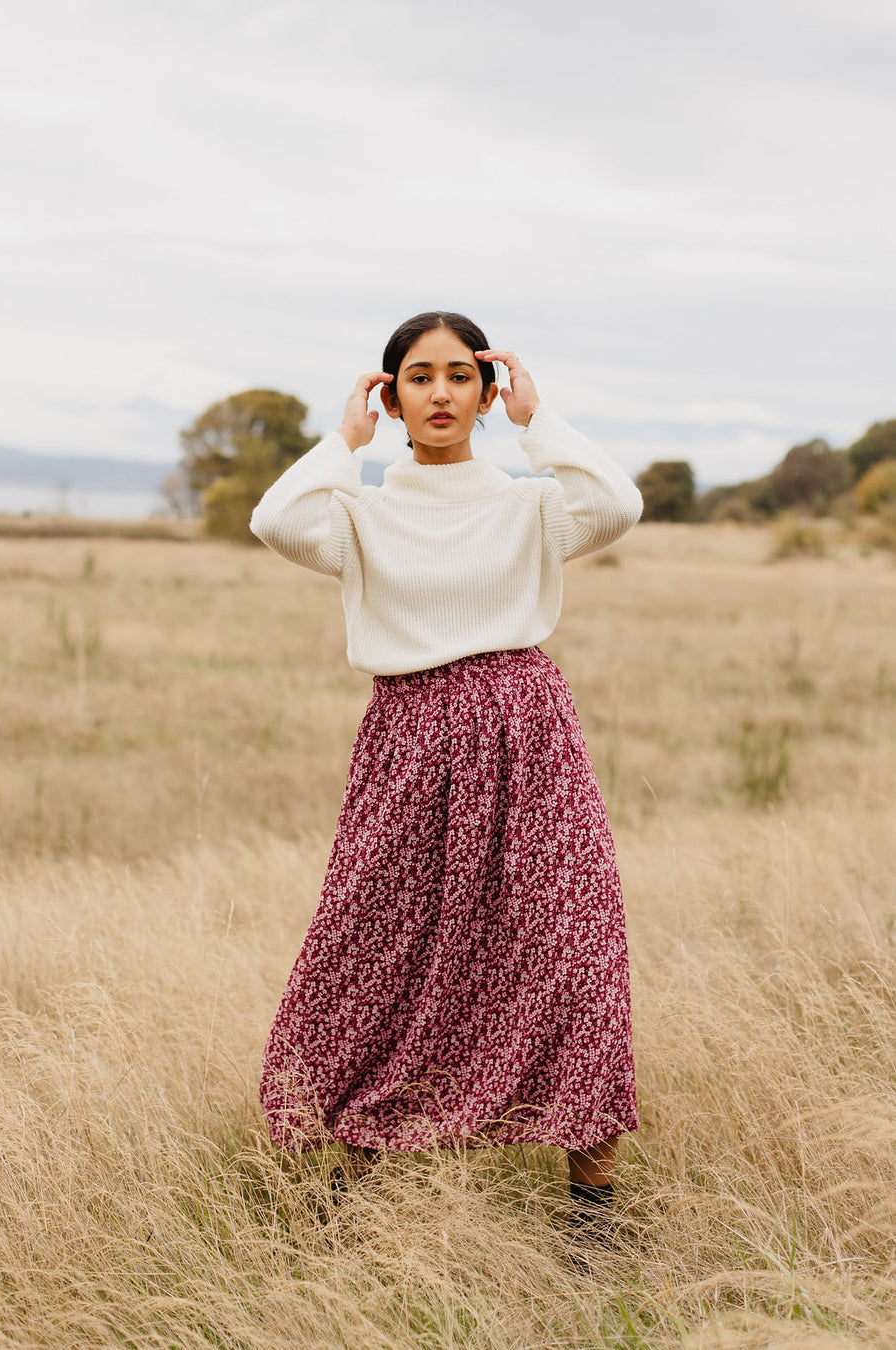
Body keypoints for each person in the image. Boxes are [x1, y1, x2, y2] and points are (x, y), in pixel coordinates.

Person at [250, 311, 643, 1259]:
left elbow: (618, 503)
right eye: (417, 377)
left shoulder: (528, 503)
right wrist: (344, 441)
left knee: (567, 947)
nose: (439, 394)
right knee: (381, 946)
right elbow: (275, 520)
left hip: (528, 731)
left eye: (460, 376)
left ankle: (592, 1211)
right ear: (392, 395)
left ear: (486, 389)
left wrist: (537, 422)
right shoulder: (361, 509)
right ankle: (346, 1193)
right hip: (410, 738)